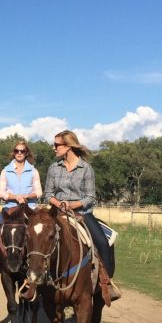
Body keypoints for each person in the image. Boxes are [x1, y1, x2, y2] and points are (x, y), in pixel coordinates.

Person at [44, 130, 120, 306]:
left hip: (82, 214)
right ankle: (33, 282)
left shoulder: (86, 168)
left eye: (57, 145)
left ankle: (105, 284)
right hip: (58, 212)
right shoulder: (53, 168)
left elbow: (90, 197)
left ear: (68, 146)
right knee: (37, 238)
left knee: (102, 243)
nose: (54, 148)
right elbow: (48, 194)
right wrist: (59, 204)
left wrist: (72, 205)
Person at [0, 140, 42, 279]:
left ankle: (42, 264)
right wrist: (15, 197)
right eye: (17, 151)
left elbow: (39, 192)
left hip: (30, 207)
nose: (19, 153)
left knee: (42, 232)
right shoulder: (5, 171)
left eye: (22, 151)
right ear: (13, 153)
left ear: (26, 153)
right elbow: (1, 193)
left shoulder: (33, 171)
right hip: (10, 208)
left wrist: (26, 196)